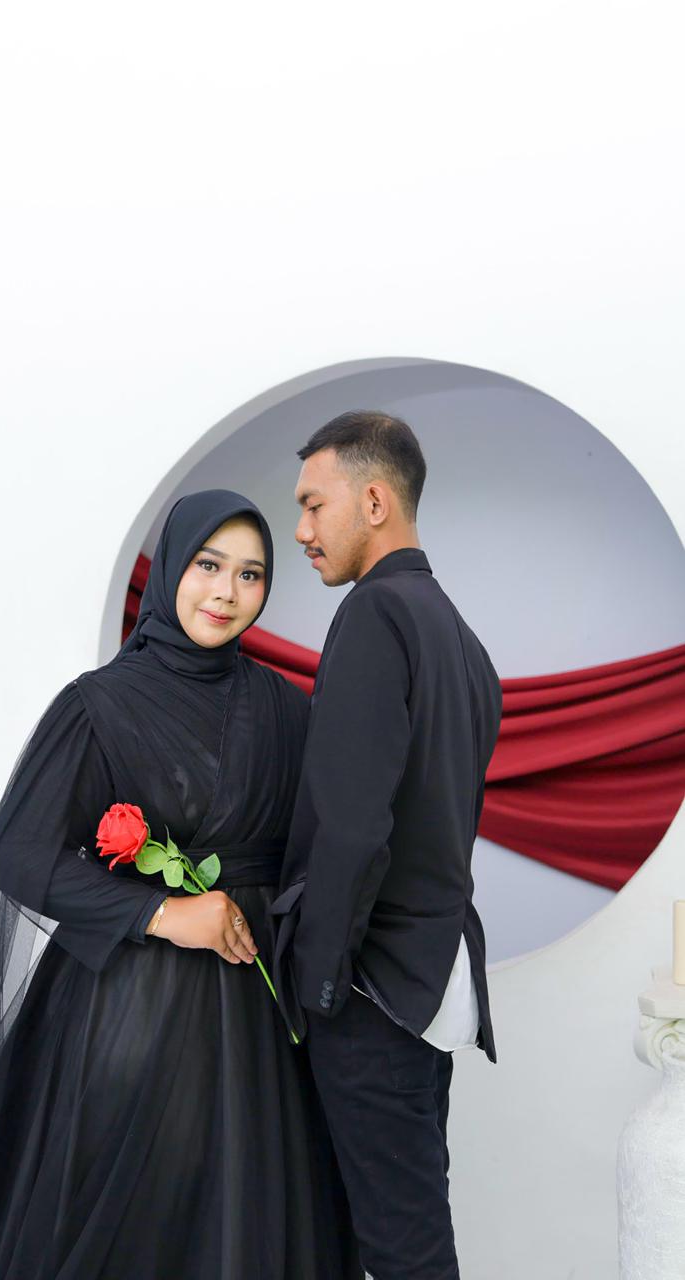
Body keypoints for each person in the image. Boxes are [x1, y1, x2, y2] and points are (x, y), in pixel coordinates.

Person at [0, 489, 362, 1280]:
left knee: (248, 1219)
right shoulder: (98, 706)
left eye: (250, 574)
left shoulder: (289, 710)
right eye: (209, 565)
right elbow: (22, 854)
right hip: (128, 1014)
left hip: (259, 1018)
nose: (226, 591)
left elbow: (314, 854)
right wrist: (161, 912)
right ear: (173, 567)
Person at [271, 413, 502, 1280]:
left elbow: (354, 825)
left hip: (375, 991)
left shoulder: (375, 614)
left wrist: (320, 986)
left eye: (312, 504)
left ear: (373, 502)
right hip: (431, 984)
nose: (301, 530)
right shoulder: (461, 638)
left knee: (405, 1254)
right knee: (404, 1237)